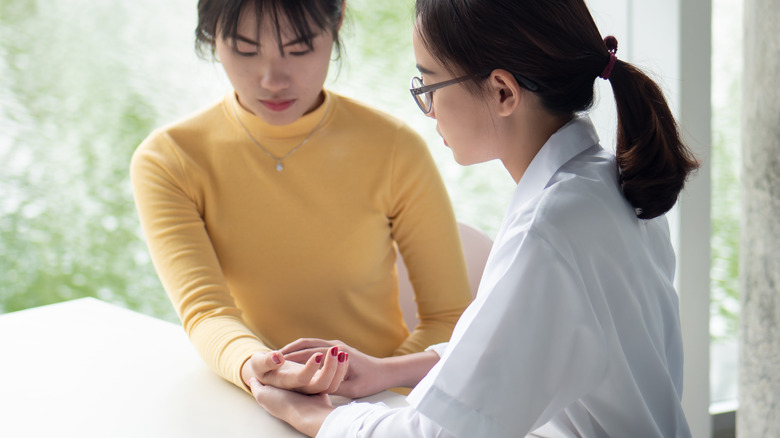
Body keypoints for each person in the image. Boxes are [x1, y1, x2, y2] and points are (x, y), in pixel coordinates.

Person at [248, 0, 699, 436]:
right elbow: (526, 348)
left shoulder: (548, 230)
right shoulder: (610, 179)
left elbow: (436, 435)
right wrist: (386, 371)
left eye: (429, 86)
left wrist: (311, 417)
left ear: (503, 91)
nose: (428, 111)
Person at [130, 0, 472, 395]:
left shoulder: (395, 149)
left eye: (299, 48)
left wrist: (370, 394)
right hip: (248, 401)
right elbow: (206, 312)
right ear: (212, 38)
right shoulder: (170, 160)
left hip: (384, 410)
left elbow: (448, 319)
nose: (273, 79)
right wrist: (255, 368)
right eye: (245, 49)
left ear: (337, 20)